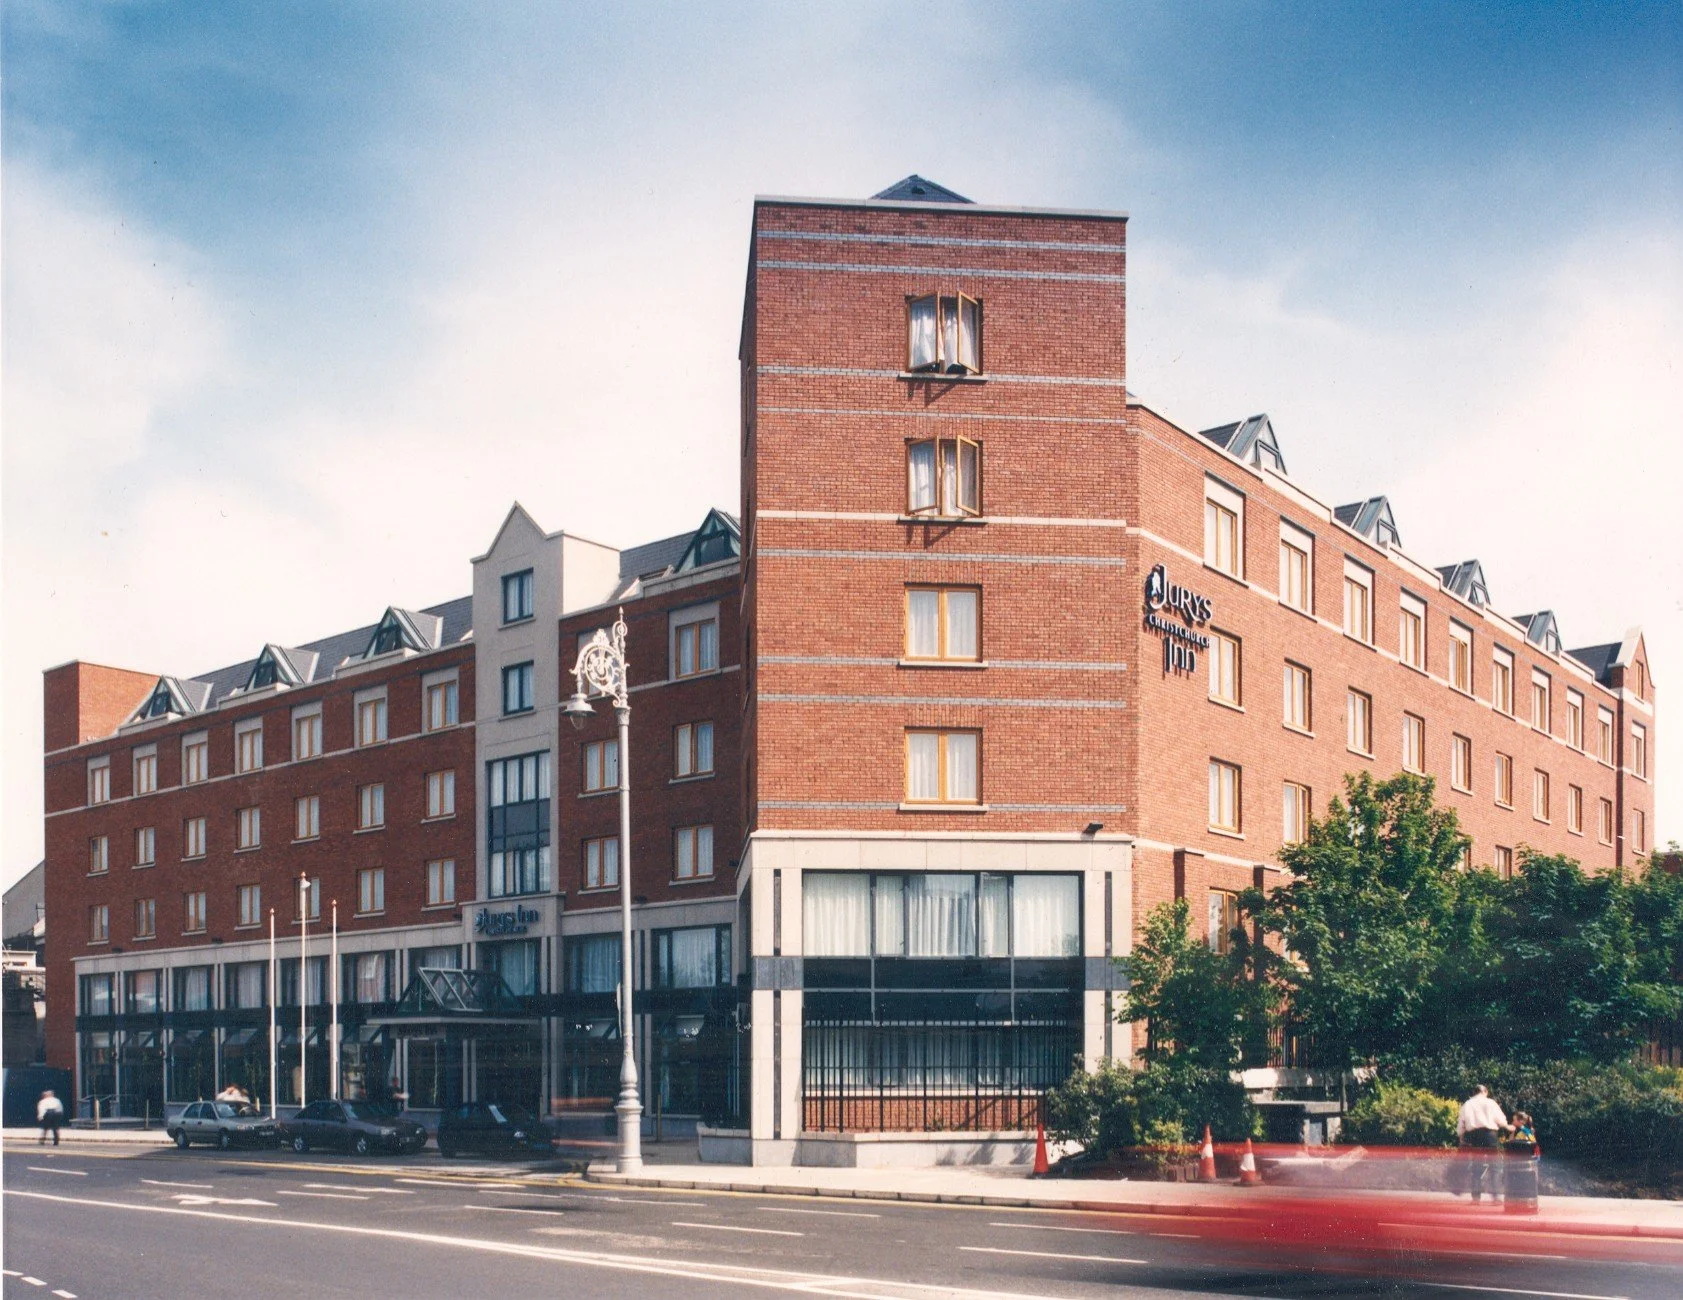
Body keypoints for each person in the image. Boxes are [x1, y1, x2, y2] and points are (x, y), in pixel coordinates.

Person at [1455, 1084, 1511, 1202]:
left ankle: (1476, 1197)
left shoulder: (1467, 1104)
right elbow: (1500, 1120)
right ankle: (1495, 1196)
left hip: (1474, 1136)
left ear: (1474, 1092)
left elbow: (1461, 1123)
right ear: (1485, 1091)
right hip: (1490, 1135)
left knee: (1476, 1167)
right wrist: (1506, 1126)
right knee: (1494, 1167)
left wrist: (1461, 1136)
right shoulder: (1491, 1103)